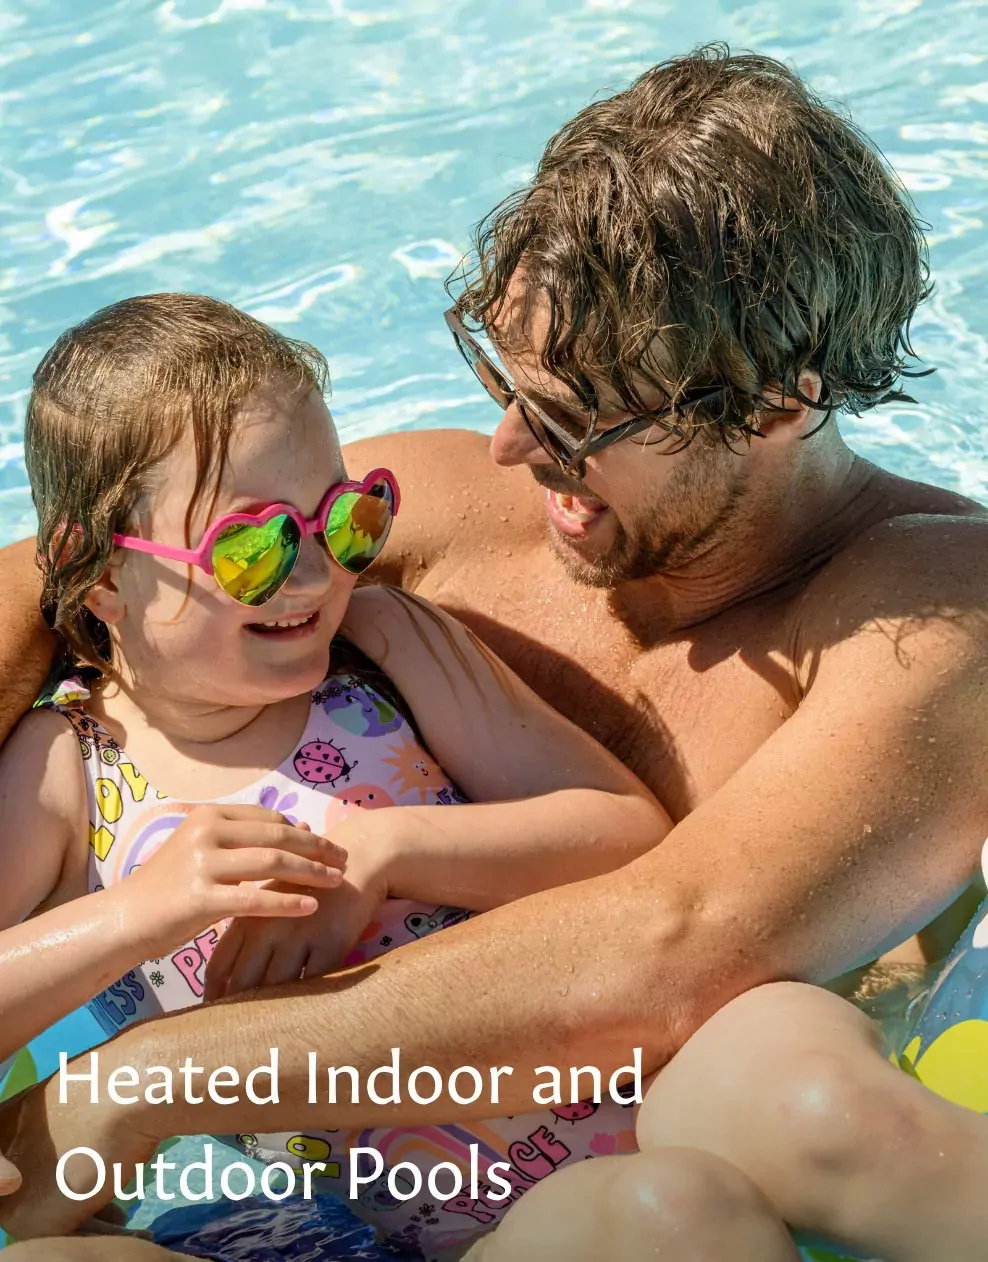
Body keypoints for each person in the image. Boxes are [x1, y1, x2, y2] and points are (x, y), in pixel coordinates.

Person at [2, 42, 988, 1262]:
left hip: (689, 1138)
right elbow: (74, 571)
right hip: (344, 1194)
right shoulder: (427, 509)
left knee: (796, 1108)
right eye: (504, 377)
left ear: (779, 405)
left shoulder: (940, 605)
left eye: (574, 418)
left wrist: (137, 1078)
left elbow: (671, 944)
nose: (509, 447)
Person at [0, 290, 675, 1259]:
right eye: (253, 546)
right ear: (96, 568)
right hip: (339, 1228)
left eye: (345, 519)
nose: (316, 575)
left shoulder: (387, 650)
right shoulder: (68, 771)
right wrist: (139, 910)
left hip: (612, 1133)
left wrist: (388, 847)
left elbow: (625, 836)